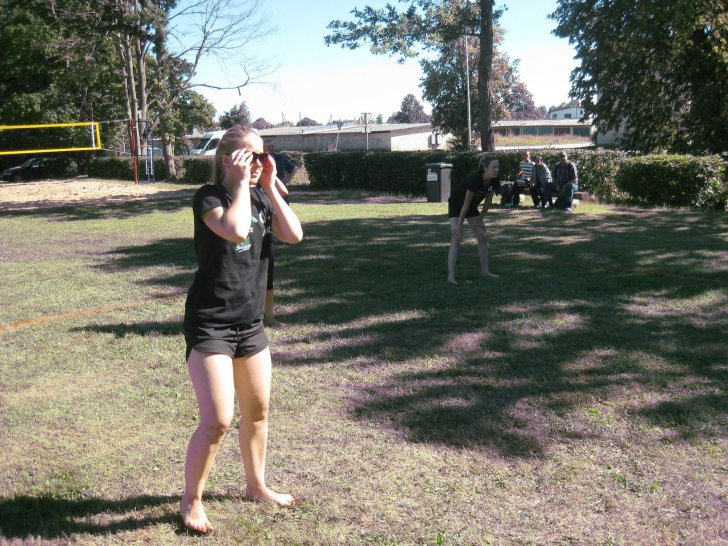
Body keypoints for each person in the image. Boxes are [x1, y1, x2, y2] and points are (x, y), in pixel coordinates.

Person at [181, 125, 303, 533]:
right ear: (227, 159)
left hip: (250, 325)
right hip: (211, 324)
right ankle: (191, 499)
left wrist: (268, 186)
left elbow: (294, 235)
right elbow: (234, 230)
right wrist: (237, 184)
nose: (259, 162)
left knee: (258, 411)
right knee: (217, 419)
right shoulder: (210, 197)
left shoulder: (261, 197)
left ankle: (257, 486)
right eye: (250, 156)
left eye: (262, 155)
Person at [447, 156, 500, 284]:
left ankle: (485, 271)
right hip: (456, 205)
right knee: (456, 238)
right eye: (493, 167)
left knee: (483, 237)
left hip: (471, 207)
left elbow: (488, 201)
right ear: (485, 168)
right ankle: (451, 277)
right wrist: (460, 225)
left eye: (498, 167)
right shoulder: (475, 179)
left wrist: (480, 219)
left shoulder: (494, 180)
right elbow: (465, 204)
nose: (497, 170)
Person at [263, 146, 299, 327]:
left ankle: (269, 317)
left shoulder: (275, 162)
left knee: (267, 276)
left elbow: (284, 191)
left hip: (265, 228)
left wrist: (271, 174)